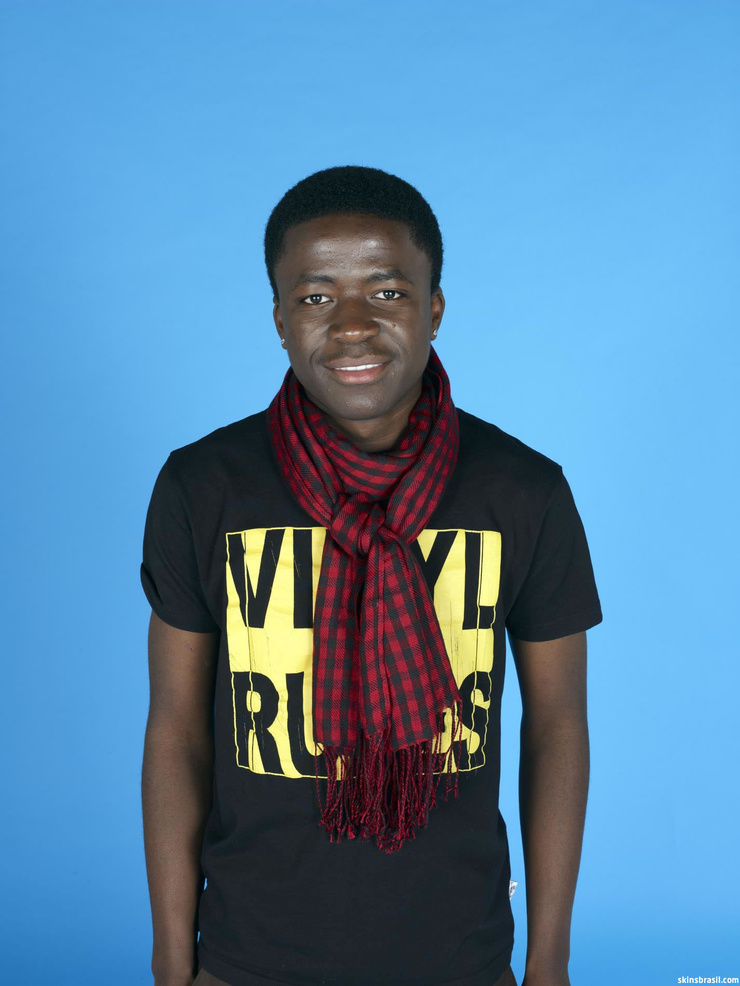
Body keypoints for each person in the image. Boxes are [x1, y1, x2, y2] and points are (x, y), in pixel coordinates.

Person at [140, 165, 603, 986]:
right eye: (316, 296)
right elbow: (177, 729)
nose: (352, 325)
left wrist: (549, 963)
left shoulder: (522, 490)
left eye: (387, 292)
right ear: (280, 320)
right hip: (247, 961)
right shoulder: (203, 486)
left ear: (434, 308)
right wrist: (174, 966)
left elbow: (558, 725)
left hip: (459, 959)